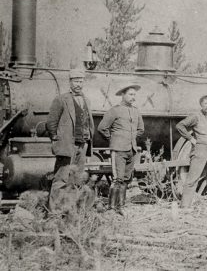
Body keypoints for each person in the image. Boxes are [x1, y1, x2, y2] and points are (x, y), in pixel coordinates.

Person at [46, 69, 95, 212]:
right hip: (68, 145)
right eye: (75, 81)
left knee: (76, 179)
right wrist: (57, 140)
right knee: (61, 179)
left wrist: (88, 139)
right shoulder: (61, 99)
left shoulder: (87, 100)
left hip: (83, 145)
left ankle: (70, 210)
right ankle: (54, 212)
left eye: (81, 81)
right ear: (70, 82)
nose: (78, 84)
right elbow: (51, 123)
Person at [98, 84, 144, 215]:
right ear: (123, 95)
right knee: (117, 179)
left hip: (131, 149)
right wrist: (114, 139)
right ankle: (111, 208)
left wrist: (131, 137)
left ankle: (121, 207)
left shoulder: (136, 111)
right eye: (130, 94)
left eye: (134, 94)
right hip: (118, 149)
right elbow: (102, 128)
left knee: (126, 179)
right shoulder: (115, 110)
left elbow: (141, 129)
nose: (133, 97)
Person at [176, 94, 207, 209]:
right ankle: (185, 205)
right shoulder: (195, 116)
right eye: (205, 103)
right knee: (193, 177)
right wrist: (191, 138)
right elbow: (180, 125)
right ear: (201, 105)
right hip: (200, 149)